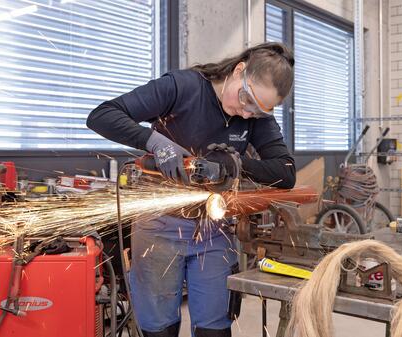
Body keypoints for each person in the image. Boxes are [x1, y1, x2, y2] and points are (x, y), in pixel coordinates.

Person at [87, 42, 296, 337]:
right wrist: (154, 142)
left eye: (258, 111)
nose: (247, 113)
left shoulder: (253, 115)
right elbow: (102, 115)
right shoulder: (182, 87)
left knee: (215, 328)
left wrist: (235, 163)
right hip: (158, 224)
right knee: (159, 329)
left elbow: (286, 173)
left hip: (214, 229)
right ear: (239, 70)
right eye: (246, 99)